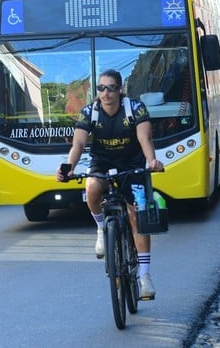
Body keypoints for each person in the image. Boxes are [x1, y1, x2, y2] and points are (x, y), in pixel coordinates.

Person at [56, 69, 164, 300]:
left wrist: (152, 161)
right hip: (102, 163)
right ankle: (100, 227)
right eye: (101, 88)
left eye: (111, 88)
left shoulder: (135, 109)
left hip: (132, 164)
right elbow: (78, 144)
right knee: (92, 188)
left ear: (120, 89)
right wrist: (68, 167)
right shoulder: (90, 112)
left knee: (136, 216)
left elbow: (144, 138)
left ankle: (144, 276)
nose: (106, 93)